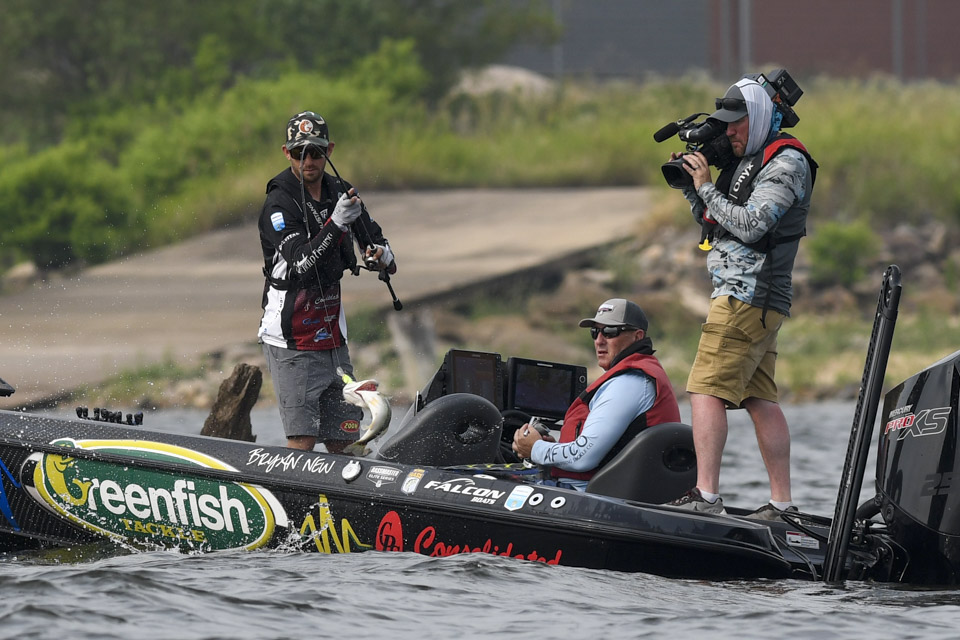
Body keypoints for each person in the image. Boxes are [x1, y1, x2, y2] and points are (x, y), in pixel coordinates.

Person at [666, 76, 817, 518]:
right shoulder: (748, 160)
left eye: (737, 123)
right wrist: (692, 187)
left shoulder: (787, 162)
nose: (729, 131)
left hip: (746, 296)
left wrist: (706, 186)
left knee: (704, 390)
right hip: (752, 299)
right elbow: (718, 222)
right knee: (759, 399)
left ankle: (706, 497)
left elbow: (752, 226)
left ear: (762, 117)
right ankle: (782, 505)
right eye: (726, 124)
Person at [258, 111, 397, 453]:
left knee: (345, 438)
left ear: (329, 150)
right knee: (302, 439)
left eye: (316, 152)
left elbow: (379, 247)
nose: (308, 160)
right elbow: (302, 263)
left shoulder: (341, 192)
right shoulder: (278, 203)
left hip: (333, 337)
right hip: (291, 340)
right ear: (286, 153)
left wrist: (381, 255)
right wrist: (335, 223)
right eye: (299, 152)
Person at [512, 298, 681, 491]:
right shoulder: (634, 377)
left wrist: (535, 448)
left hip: (600, 495)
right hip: (609, 490)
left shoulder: (629, 383)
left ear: (637, 336)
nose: (599, 340)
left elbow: (582, 458)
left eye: (610, 332)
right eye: (595, 332)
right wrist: (553, 449)